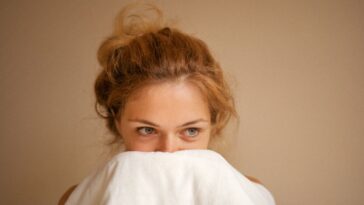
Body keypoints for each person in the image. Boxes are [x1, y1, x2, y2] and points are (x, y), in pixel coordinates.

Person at [59, 3, 274, 205]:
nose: (168, 151)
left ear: (214, 123)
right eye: (147, 130)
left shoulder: (251, 194)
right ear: (117, 121)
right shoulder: (77, 199)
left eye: (190, 131)